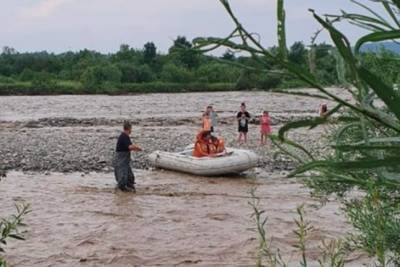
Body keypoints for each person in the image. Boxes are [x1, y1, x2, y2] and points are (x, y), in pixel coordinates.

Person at [114, 121, 142, 192]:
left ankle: (129, 188)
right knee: (123, 176)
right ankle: (122, 189)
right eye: (131, 129)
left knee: (130, 176)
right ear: (129, 129)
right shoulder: (124, 136)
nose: (131, 131)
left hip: (124, 159)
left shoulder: (124, 136)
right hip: (121, 159)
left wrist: (135, 148)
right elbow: (129, 147)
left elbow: (128, 147)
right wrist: (137, 147)